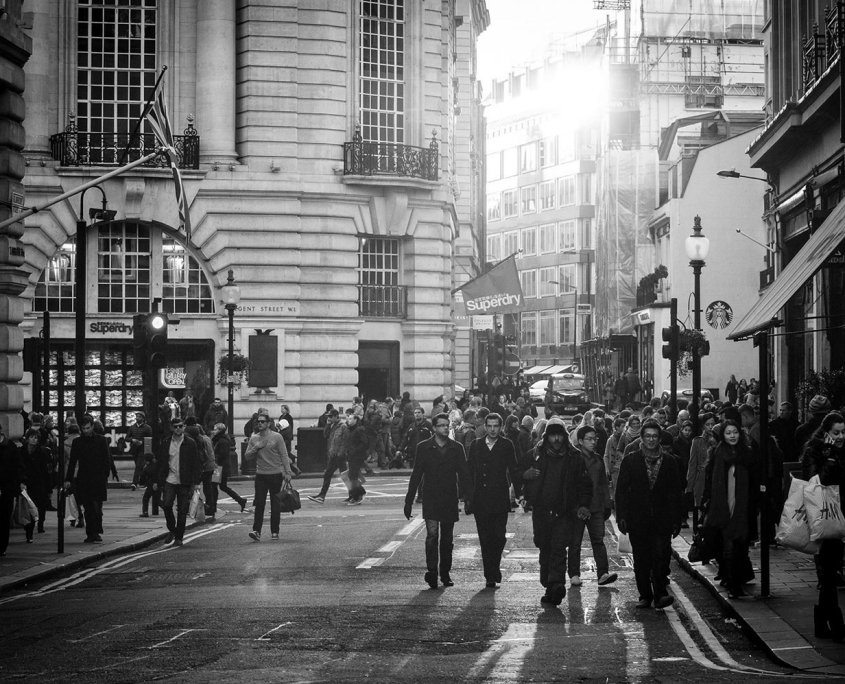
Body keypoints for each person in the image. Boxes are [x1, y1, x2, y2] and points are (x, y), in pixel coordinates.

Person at [521, 416, 592, 605]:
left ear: (565, 436)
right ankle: (548, 585)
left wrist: (583, 505)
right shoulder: (535, 455)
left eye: (559, 435)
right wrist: (525, 476)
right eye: (553, 436)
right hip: (541, 511)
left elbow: (585, 484)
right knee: (545, 547)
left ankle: (557, 584)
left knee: (559, 549)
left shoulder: (574, 457)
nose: (557, 439)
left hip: (564, 511)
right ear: (547, 437)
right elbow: (517, 472)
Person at [615, 419, 684, 609]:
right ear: (642, 438)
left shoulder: (669, 461)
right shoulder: (631, 460)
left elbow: (675, 492)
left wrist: (677, 519)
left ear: (659, 438)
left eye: (654, 436)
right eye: (647, 436)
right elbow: (622, 490)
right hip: (638, 518)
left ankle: (660, 594)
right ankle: (645, 595)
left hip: (662, 519)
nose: (651, 439)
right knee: (641, 559)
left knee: (661, 556)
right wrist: (622, 516)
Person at [404, 412, 471, 589]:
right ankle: (432, 571)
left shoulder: (456, 447)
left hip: (449, 497)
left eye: (447, 425)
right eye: (441, 425)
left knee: (447, 539)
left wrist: (469, 498)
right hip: (431, 497)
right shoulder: (424, 447)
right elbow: (417, 474)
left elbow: (464, 474)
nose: (445, 428)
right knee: (432, 535)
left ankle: (445, 573)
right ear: (434, 428)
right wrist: (409, 500)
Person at [465, 412, 524, 589]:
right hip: (481, 498)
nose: (492, 429)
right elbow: (469, 471)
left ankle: (495, 566)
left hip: (499, 496)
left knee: (499, 536)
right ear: (485, 426)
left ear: (500, 427)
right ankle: (490, 574)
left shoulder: (506, 444)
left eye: (495, 426)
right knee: (485, 537)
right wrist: (468, 496)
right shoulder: (476, 445)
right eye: (489, 426)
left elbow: (513, 469)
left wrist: (520, 493)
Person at [701, 419, 759, 599]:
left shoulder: (747, 453)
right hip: (723, 507)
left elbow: (755, 480)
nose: (732, 436)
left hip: (743, 507)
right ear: (723, 436)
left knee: (741, 547)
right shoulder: (718, 453)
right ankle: (733, 585)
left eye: (735, 432)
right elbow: (710, 479)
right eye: (728, 433)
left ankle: (735, 580)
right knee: (728, 546)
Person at [802, 412, 845, 642]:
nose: (841, 437)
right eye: (836, 433)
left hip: (841, 517)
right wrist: (829, 458)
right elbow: (814, 484)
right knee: (829, 572)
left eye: (844, 432)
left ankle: (822, 624)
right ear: (826, 432)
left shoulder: (841, 451)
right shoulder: (815, 451)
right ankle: (836, 624)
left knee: (831, 573)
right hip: (824, 517)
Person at [570, 425, 617, 587]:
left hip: (596, 507)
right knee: (575, 543)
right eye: (589, 439)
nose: (593, 442)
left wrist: (607, 504)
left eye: (594, 439)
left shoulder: (597, 459)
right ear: (580, 441)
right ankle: (574, 574)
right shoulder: (574, 459)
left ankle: (603, 573)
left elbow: (603, 483)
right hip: (578, 508)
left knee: (598, 541)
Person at [244, 411, 293, 540]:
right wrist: (256, 447)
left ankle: (275, 531)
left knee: (275, 504)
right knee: (259, 504)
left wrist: (287, 472)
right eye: (258, 422)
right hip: (261, 475)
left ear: (268, 423)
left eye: (262, 421)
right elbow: (247, 456)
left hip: (275, 475)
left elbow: (284, 455)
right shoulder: (254, 438)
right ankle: (256, 531)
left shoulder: (277, 437)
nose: (260, 423)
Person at [155, 416, 203, 547]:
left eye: (180, 426)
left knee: (182, 511)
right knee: (166, 505)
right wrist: (157, 480)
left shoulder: (190, 443)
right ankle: (172, 529)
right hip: (169, 480)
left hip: (184, 481)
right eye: (175, 426)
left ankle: (179, 537)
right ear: (172, 427)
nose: (178, 429)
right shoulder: (166, 442)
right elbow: (161, 462)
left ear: (184, 427)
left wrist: (196, 482)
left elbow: (196, 463)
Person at [66, 415, 112, 543]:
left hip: (98, 478)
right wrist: (68, 479)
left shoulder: (101, 440)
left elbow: (106, 459)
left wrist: (105, 475)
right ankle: (91, 533)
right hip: (84, 479)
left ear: (92, 426)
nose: (86, 430)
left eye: (88, 428)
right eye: (83, 428)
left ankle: (96, 531)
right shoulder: (77, 442)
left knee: (97, 507)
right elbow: (72, 462)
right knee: (88, 508)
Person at [308, 409, 348, 503]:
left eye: (330, 416)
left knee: (344, 476)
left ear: (336, 416)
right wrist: (327, 425)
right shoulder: (332, 425)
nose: (329, 418)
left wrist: (340, 454)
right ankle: (322, 496)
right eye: (328, 416)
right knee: (329, 474)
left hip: (339, 456)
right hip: (333, 455)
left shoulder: (343, 426)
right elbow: (325, 435)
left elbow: (345, 442)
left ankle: (354, 494)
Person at [686, 412, 717, 528]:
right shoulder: (697, 442)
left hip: (714, 478)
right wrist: (689, 487)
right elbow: (692, 465)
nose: (710, 427)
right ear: (703, 426)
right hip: (701, 479)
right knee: (700, 508)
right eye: (708, 424)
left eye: (713, 424)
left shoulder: (720, 441)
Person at [0, 425, 25, 555]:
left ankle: (1, 546)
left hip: (6, 487)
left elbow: (18, 465)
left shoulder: (10, 446)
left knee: (4, 517)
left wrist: (21, 481)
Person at [212, 423, 248, 512]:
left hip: (219, 468)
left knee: (214, 486)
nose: (213, 431)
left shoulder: (222, 441)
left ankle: (213, 506)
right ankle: (240, 500)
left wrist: (215, 460)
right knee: (222, 487)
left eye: (215, 430)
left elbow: (222, 455)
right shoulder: (219, 439)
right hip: (220, 467)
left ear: (220, 431)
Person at [186, 425, 217, 521]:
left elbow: (203, 455)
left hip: (204, 467)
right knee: (208, 489)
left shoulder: (199, 440)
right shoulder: (207, 438)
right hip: (211, 466)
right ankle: (211, 509)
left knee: (193, 487)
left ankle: (197, 507)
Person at [345, 412, 369, 505]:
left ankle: (358, 494)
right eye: (348, 418)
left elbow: (364, 442)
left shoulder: (359, 430)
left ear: (355, 420)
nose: (349, 420)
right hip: (351, 456)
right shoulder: (350, 430)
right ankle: (356, 495)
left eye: (351, 419)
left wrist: (355, 451)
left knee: (352, 476)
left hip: (358, 456)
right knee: (352, 476)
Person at [127, 412, 153, 491]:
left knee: (138, 466)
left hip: (143, 449)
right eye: (137, 416)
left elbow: (150, 438)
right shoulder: (132, 427)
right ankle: (144, 482)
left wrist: (142, 442)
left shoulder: (147, 428)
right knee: (139, 466)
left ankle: (134, 483)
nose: (137, 418)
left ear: (143, 418)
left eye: (139, 417)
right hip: (135, 449)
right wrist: (132, 440)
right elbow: (127, 438)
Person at [139, 453, 160, 517]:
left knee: (146, 498)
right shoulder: (157, 465)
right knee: (157, 500)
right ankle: (166, 508)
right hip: (158, 484)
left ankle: (145, 512)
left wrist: (141, 483)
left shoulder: (147, 467)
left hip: (150, 485)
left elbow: (142, 477)